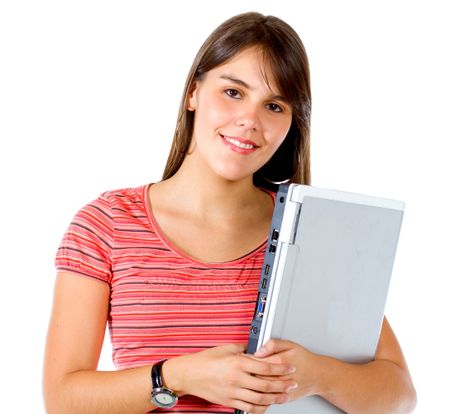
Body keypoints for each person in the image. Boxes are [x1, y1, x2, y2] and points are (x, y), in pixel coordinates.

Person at [43, 12, 416, 414]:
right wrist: (178, 376)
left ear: (292, 124)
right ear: (192, 93)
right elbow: (64, 399)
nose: (249, 121)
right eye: (234, 92)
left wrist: (315, 374)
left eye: (273, 105)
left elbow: (398, 393)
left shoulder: (307, 230)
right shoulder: (106, 225)